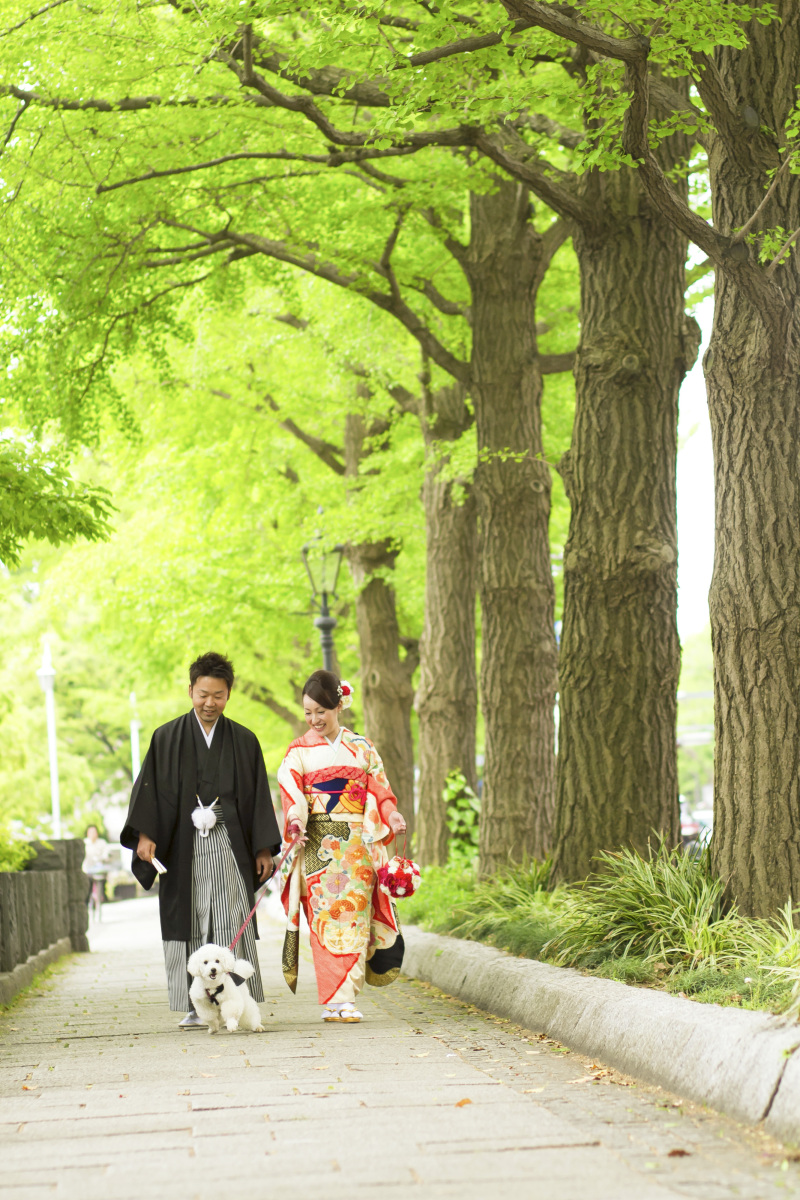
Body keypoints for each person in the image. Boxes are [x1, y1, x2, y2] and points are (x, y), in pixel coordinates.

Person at [121, 652, 281, 1028]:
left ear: (229, 694)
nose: (210, 703)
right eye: (203, 694)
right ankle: (195, 1005)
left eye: (218, 695)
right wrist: (145, 834)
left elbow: (257, 796)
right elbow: (151, 791)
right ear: (190, 690)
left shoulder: (244, 740)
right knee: (189, 920)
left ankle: (235, 1003)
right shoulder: (166, 738)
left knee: (229, 917)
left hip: (228, 844)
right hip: (182, 847)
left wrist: (262, 847)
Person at [277, 670, 407, 1023]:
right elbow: (291, 793)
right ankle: (336, 1000)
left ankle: (345, 998)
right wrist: (295, 823)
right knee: (325, 920)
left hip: (356, 847)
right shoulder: (298, 751)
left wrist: (392, 815)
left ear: (339, 705)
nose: (314, 719)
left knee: (355, 920)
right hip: (318, 847)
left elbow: (380, 790)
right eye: (308, 712)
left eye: (321, 711)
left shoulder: (362, 747)